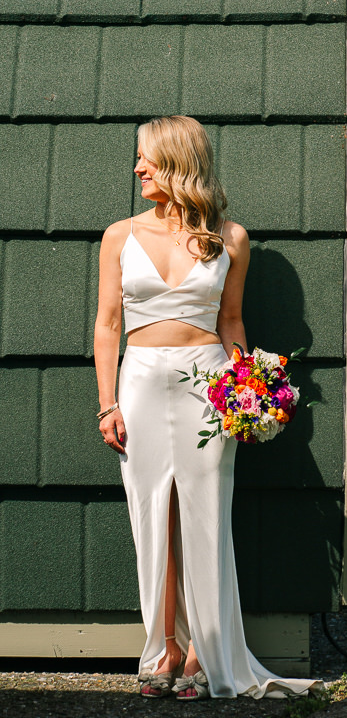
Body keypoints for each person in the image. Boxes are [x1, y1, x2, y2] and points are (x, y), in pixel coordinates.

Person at [94, 115, 323, 701]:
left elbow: (230, 322)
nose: (137, 167)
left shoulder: (231, 238)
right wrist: (106, 405)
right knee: (152, 519)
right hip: (140, 383)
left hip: (207, 385)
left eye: (146, 157)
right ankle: (162, 649)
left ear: (175, 160)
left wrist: (248, 391)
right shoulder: (119, 235)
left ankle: (203, 649)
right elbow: (107, 326)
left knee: (205, 517)